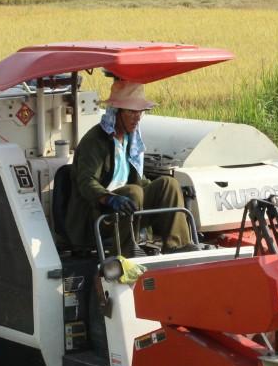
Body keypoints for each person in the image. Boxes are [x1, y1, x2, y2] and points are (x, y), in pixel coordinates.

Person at [65, 80, 195, 257]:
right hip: (98, 215)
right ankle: (127, 250)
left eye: (140, 111)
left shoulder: (129, 139)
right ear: (116, 112)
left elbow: (133, 178)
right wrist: (110, 199)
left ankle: (176, 245)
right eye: (131, 112)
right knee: (133, 192)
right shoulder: (95, 140)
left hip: (128, 210)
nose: (137, 117)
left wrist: (163, 191)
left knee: (168, 184)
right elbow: (85, 182)